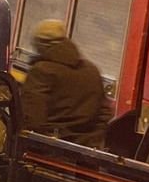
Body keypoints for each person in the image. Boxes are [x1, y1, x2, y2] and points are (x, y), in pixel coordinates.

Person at [21, 20, 110, 148]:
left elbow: (32, 117)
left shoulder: (42, 71)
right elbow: (104, 113)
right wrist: (92, 138)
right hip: (87, 150)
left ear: (41, 46)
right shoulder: (92, 70)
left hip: (51, 149)